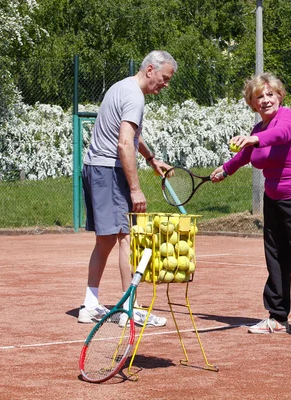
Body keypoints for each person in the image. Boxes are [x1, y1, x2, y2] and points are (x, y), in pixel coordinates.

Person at [210, 72, 291, 342]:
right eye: (258, 97)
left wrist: (253, 140)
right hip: (274, 199)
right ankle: (277, 317)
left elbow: (280, 135)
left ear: (279, 96)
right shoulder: (258, 130)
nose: (265, 100)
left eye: (269, 94)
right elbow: (245, 155)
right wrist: (225, 171)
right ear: (252, 103)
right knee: (276, 259)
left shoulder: (289, 119)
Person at [78, 50, 177, 327]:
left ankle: (90, 304)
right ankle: (128, 309)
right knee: (126, 238)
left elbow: (132, 137)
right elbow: (124, 143)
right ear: (150, 70)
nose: (165, 84)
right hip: (109, 171)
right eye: (164, 78)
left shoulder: (121, 87)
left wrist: (150, 158)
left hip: (96, 168)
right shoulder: (135, 96)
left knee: (107, 239)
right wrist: (135, 189)